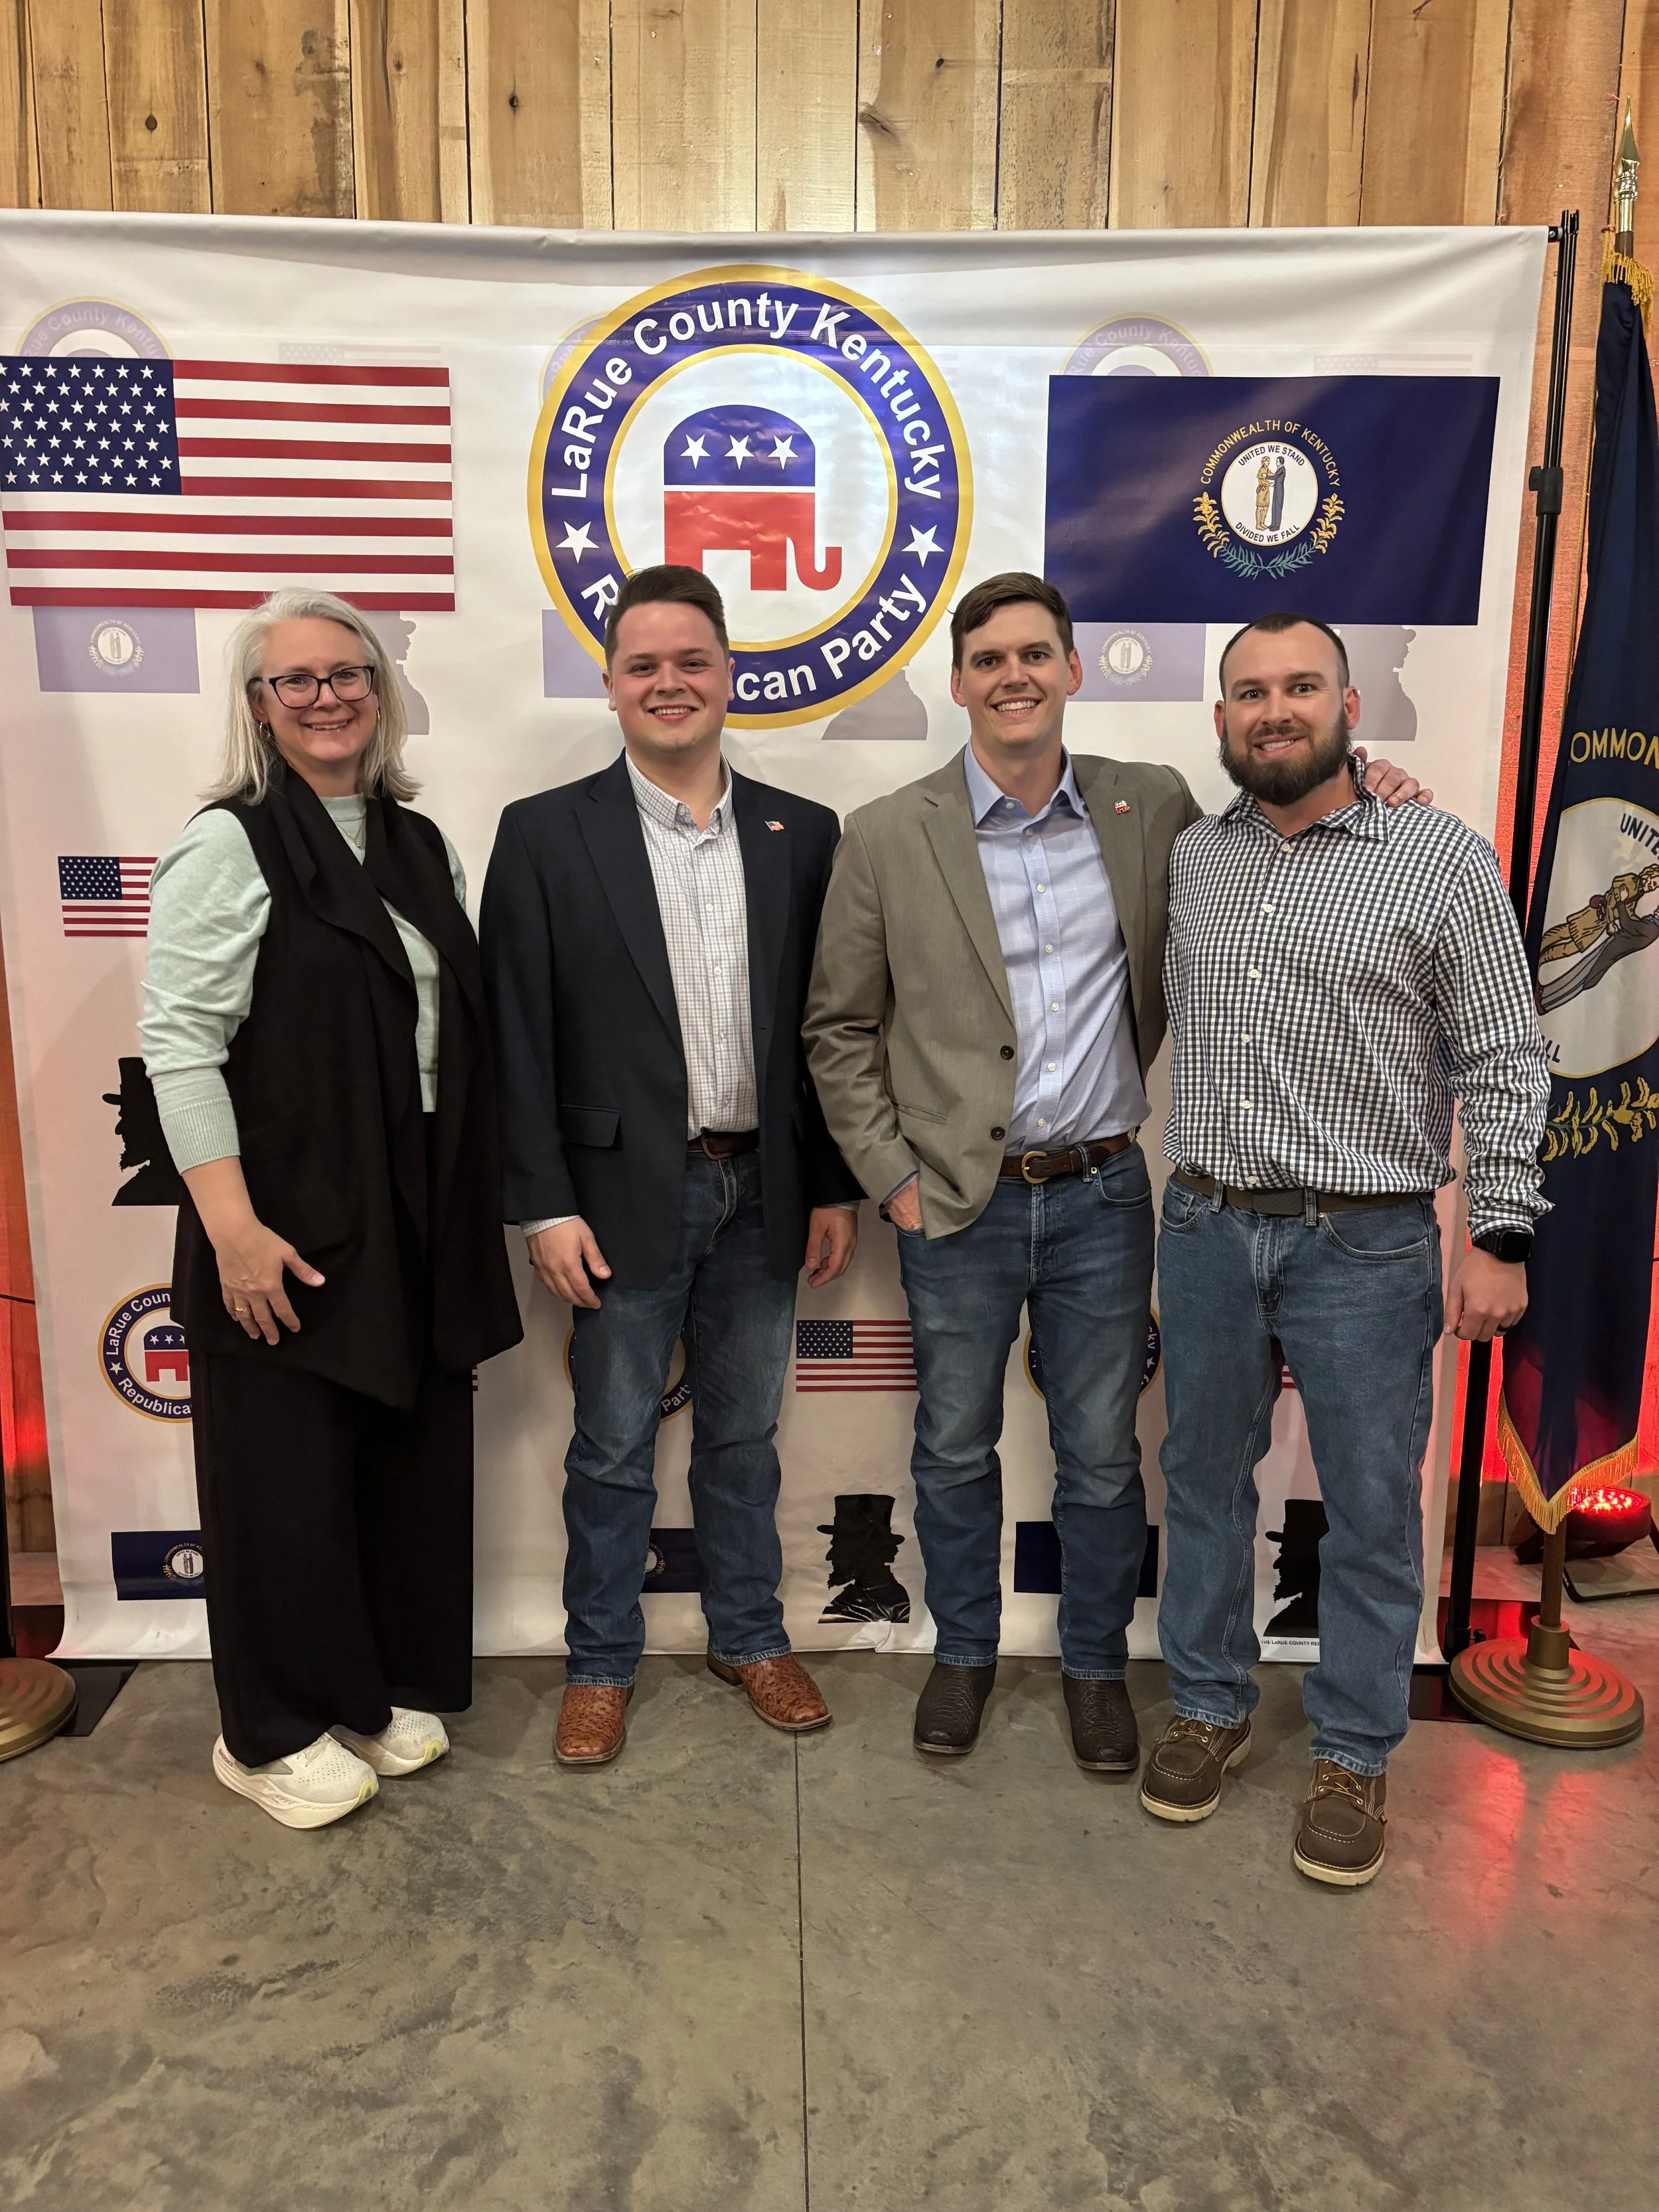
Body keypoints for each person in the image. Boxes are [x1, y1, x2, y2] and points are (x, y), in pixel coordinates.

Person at [804, 573, 1427, 1770]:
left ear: (1075, 671)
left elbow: (1294, 823)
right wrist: (890, 1177)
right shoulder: (889, 833)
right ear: (959, 683)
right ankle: (965, 1653)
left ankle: (1095, 1665)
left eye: (1036, 654)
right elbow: (839, 1028)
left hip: (1105, 1197)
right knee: (950, 1445)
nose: (1014, 676)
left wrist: (1382, 786)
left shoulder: (1160, 811)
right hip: (953, 1203)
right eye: (988, 659)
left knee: (1100, 1452)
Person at [1143, 611, 1548, 1888]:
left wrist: (1498, 1231)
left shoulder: (1438, 856)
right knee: (1204, 1481)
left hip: (1368, 1243)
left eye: (1300, 686)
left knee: (1373, 1510)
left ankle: (1354, 1750)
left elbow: (1507, 1056)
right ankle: (1209, 1705)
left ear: (1349, 701)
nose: (1276, 710)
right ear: (1219, 721)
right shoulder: (1192, 858)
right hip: (1207, 1226)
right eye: (1250, 692)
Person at [141, 588, 523, 1830]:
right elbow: (181, 1048)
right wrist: (232, 1229)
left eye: (347, 674)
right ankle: (265, 1730)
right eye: (294, 680)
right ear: (258, 705)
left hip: (407, 1208)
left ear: (381, 690)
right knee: (282, 1481)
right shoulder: (229, 842)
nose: (326, 697)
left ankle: (359, 1689)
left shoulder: (419, 843)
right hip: (282, 1221)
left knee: (389, 1467)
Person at [480, 564, 861, 1768]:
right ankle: (600, 1661)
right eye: (643, 664)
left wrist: (836, 1182)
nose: (669, 683)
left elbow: (830, 1027)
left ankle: (748, 1636)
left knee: (745, 1436)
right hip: (615, 1197)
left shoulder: (806, 835)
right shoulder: (545, 834)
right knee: (610, 1444)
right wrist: (541, 1204)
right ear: (610, 683)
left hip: (767, 1196)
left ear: (731, 674)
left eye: (692, 660)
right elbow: (515, 1036)